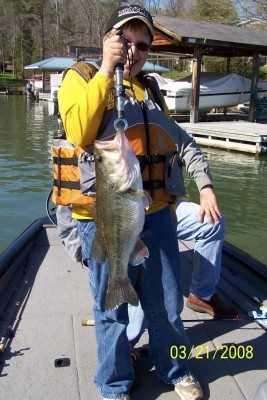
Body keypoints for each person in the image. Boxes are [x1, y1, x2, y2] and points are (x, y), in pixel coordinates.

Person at [57, 4, 227, 400]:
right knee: (110, 311)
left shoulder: (150, 90)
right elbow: (80, 132)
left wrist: (204, 184)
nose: (133, 51)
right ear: (108, 40)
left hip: (154, 214)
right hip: (105, 216)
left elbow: (178, 140)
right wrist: (104, 70)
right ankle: (113, 385)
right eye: (124, 40)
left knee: (168, 303)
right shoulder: (80, 79)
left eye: (143, 45)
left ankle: (174, 368)